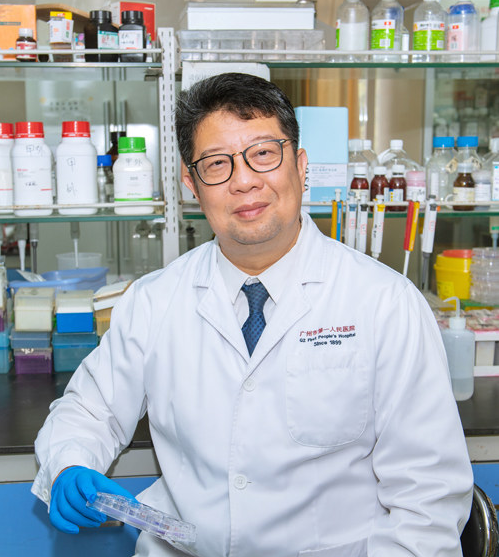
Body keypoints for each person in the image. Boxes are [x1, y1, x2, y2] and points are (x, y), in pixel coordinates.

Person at [32, 72, 473, 557]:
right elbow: (89, 410)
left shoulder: (384, 302)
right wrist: (69, 463)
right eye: (217, 164)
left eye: (263, 154)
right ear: (191, 185)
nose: (244, 181)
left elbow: (427, 500)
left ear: (300, 165)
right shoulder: (155, 300)